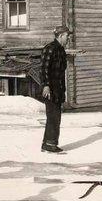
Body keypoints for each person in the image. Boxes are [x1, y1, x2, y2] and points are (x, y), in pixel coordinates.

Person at [41, 25, 70, 153]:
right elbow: (44, 69)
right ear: (60, 36)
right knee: (52, 116)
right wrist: (46, 85)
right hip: (51, 88)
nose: (68, 38)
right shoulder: (50, 49)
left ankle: (49, 143)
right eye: (67, 36)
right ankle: (49, 144)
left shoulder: (61, 50)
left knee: (56, 116)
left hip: (58, 88)